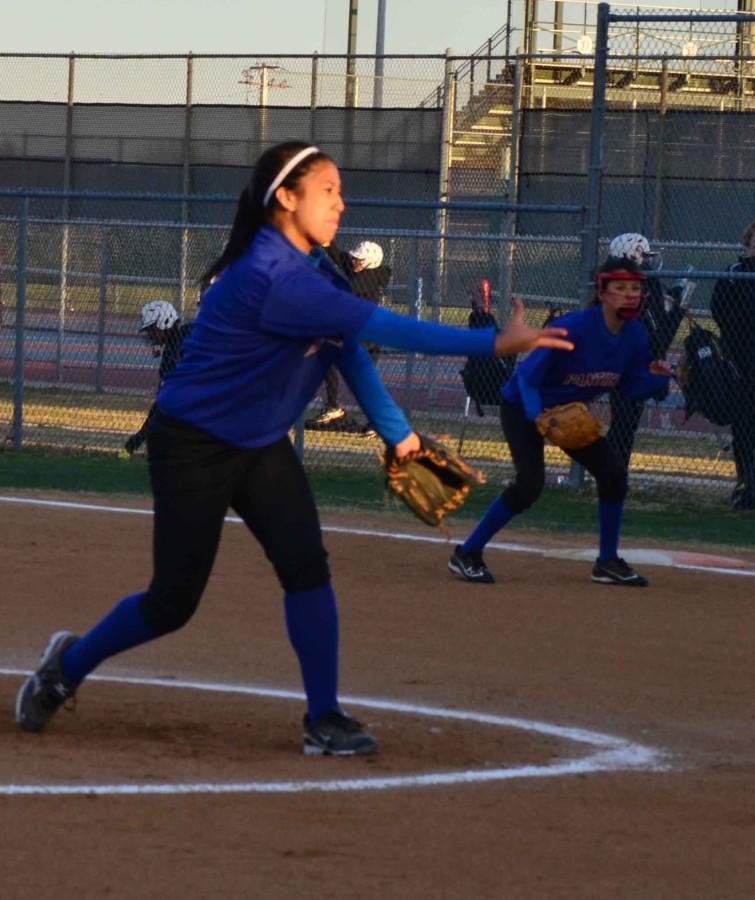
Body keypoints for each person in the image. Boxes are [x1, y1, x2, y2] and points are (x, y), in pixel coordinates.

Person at [15, 141, 572, 755]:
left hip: (259, 444)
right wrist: (496, 344)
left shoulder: (317, 273)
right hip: (193, 445)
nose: (342, 202)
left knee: (306, 567)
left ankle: (324, 717)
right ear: (286, 198)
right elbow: (387, 330)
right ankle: (66, 666)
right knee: (172, 602)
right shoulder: (268, 277)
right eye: (328, 190)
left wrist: (401, 436)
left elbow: (347, 350)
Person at [449, 256, 672, 588]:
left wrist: (659, 381)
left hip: (566, 412)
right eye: (621, 288)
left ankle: (607, 562)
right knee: (529, 486)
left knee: (612, 476)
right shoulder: (574, 327)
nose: (630, 295)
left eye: (636, 289)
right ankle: (467, 553)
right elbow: (526, 378)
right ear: (603, 292)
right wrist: (537, 415)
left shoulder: (635, 336)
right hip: (524, 404)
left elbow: (630, 387)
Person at [604, 232, 693, 470]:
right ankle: (612, 473)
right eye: (644, 256)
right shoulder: (636, 290)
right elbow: (659, 337)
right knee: (625, 423)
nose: (649, 262)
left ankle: (611, 472)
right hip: (631, 365)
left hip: (620, 360)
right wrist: (678, 306)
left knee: (624, 423)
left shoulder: (615, 284)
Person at [306, 239, 392, 434]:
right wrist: (328, 244)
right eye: (355, 259)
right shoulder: (359, 271)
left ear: (371, 262)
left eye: (359, 260)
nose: (355, 262)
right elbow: (342, 259)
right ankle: (333, 406)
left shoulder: (369, 278)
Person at [711, 223, 755, 511]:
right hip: (742, 364)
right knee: (745, 428)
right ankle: (746, 485)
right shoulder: (735, 273)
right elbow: (720, 311)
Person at [123, 300, 193, 455]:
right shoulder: (188, 334)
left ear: (164, 323)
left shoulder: (172, 355)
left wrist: (140, 437)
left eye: (152, 330)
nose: (150, 335)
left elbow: (163, 403)